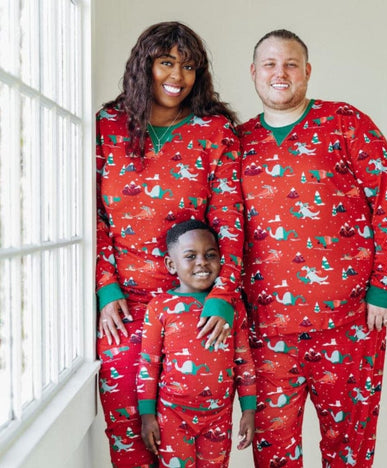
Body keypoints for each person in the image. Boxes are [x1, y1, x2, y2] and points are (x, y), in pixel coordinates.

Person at [238, 29, 387, 467]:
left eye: (291, 64)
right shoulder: (236, 143)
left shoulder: (345, 121)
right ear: (254, 73)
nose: (281, 73)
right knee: (273, 451)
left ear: (307, 72)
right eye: (271, 65)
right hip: (267, 329)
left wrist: (384, 287)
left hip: (351, 321)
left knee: (350, 445)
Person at [96, 22, 244, 468]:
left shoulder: (213, 132)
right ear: (145, 66)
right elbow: (91, 217)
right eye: (166, 63)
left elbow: (230, 221)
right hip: (125, 308)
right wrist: (105, 286)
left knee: (197, 441)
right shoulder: (107, 126)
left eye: (189, 66)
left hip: (195, 307)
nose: (177, 75)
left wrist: (223, 294)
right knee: (128, 428)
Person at [137, 219, 256, 467]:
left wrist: (249, 409)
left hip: (219, 416)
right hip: (172, 415)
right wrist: (147, 415)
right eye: (190, 256)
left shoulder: (232, 306)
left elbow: (244, 362)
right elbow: (149, 364)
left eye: (210, 254)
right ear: (171, 264)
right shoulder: (160, 307)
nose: (202, 262)